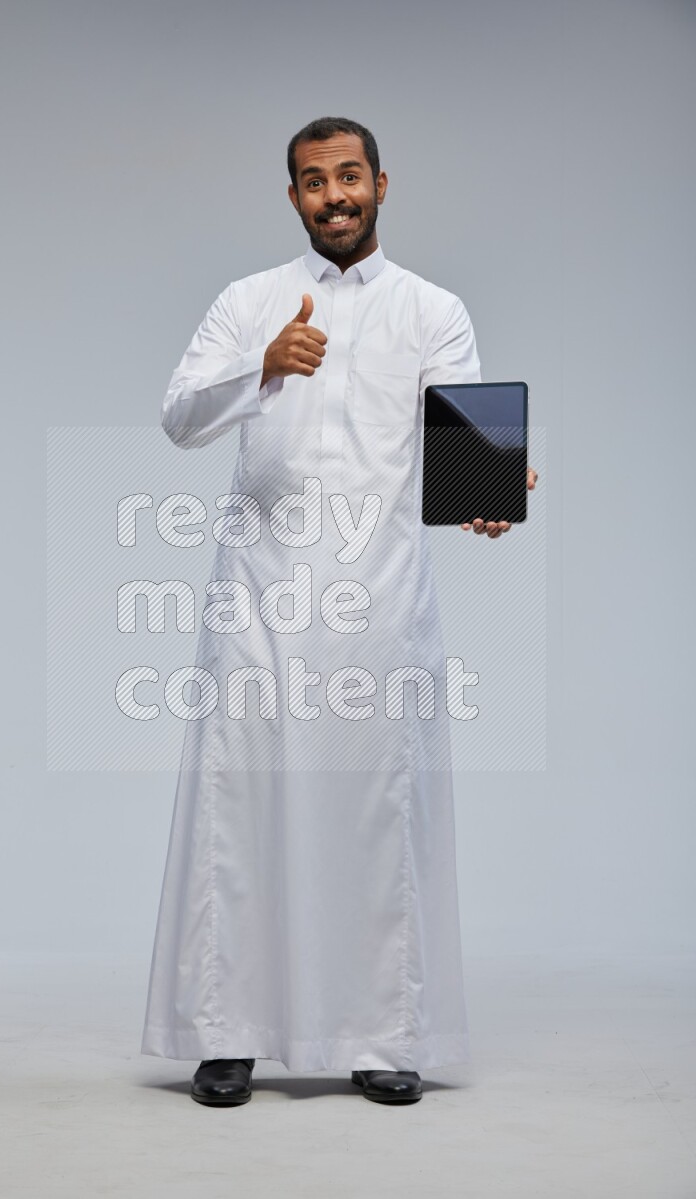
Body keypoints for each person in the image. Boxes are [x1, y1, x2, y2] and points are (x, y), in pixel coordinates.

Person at [141, 116, 538, 1107]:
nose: (334, 195)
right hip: (262, 599)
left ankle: (379, 1033)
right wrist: (262, 364)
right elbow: (180, 416)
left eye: (349, 175)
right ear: (291, 197)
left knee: (376, 813)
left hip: (377, 602)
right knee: (244, 807)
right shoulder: (248, 302)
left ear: (381, 183)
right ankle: (226, 1031)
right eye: (313, 181)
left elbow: (462, 450)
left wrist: (491, 488)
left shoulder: (432, 310)